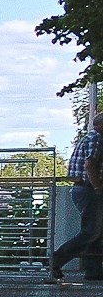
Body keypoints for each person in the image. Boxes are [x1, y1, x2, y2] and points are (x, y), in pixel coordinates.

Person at [54, 93, 101, 282]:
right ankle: (56, 261)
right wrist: (98, 188)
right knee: (91, 232)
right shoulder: (97, 139)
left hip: (85, 188)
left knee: (96, 231)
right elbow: (89, 165)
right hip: (88, 189)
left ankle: (94, 270)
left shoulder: (91, 137)